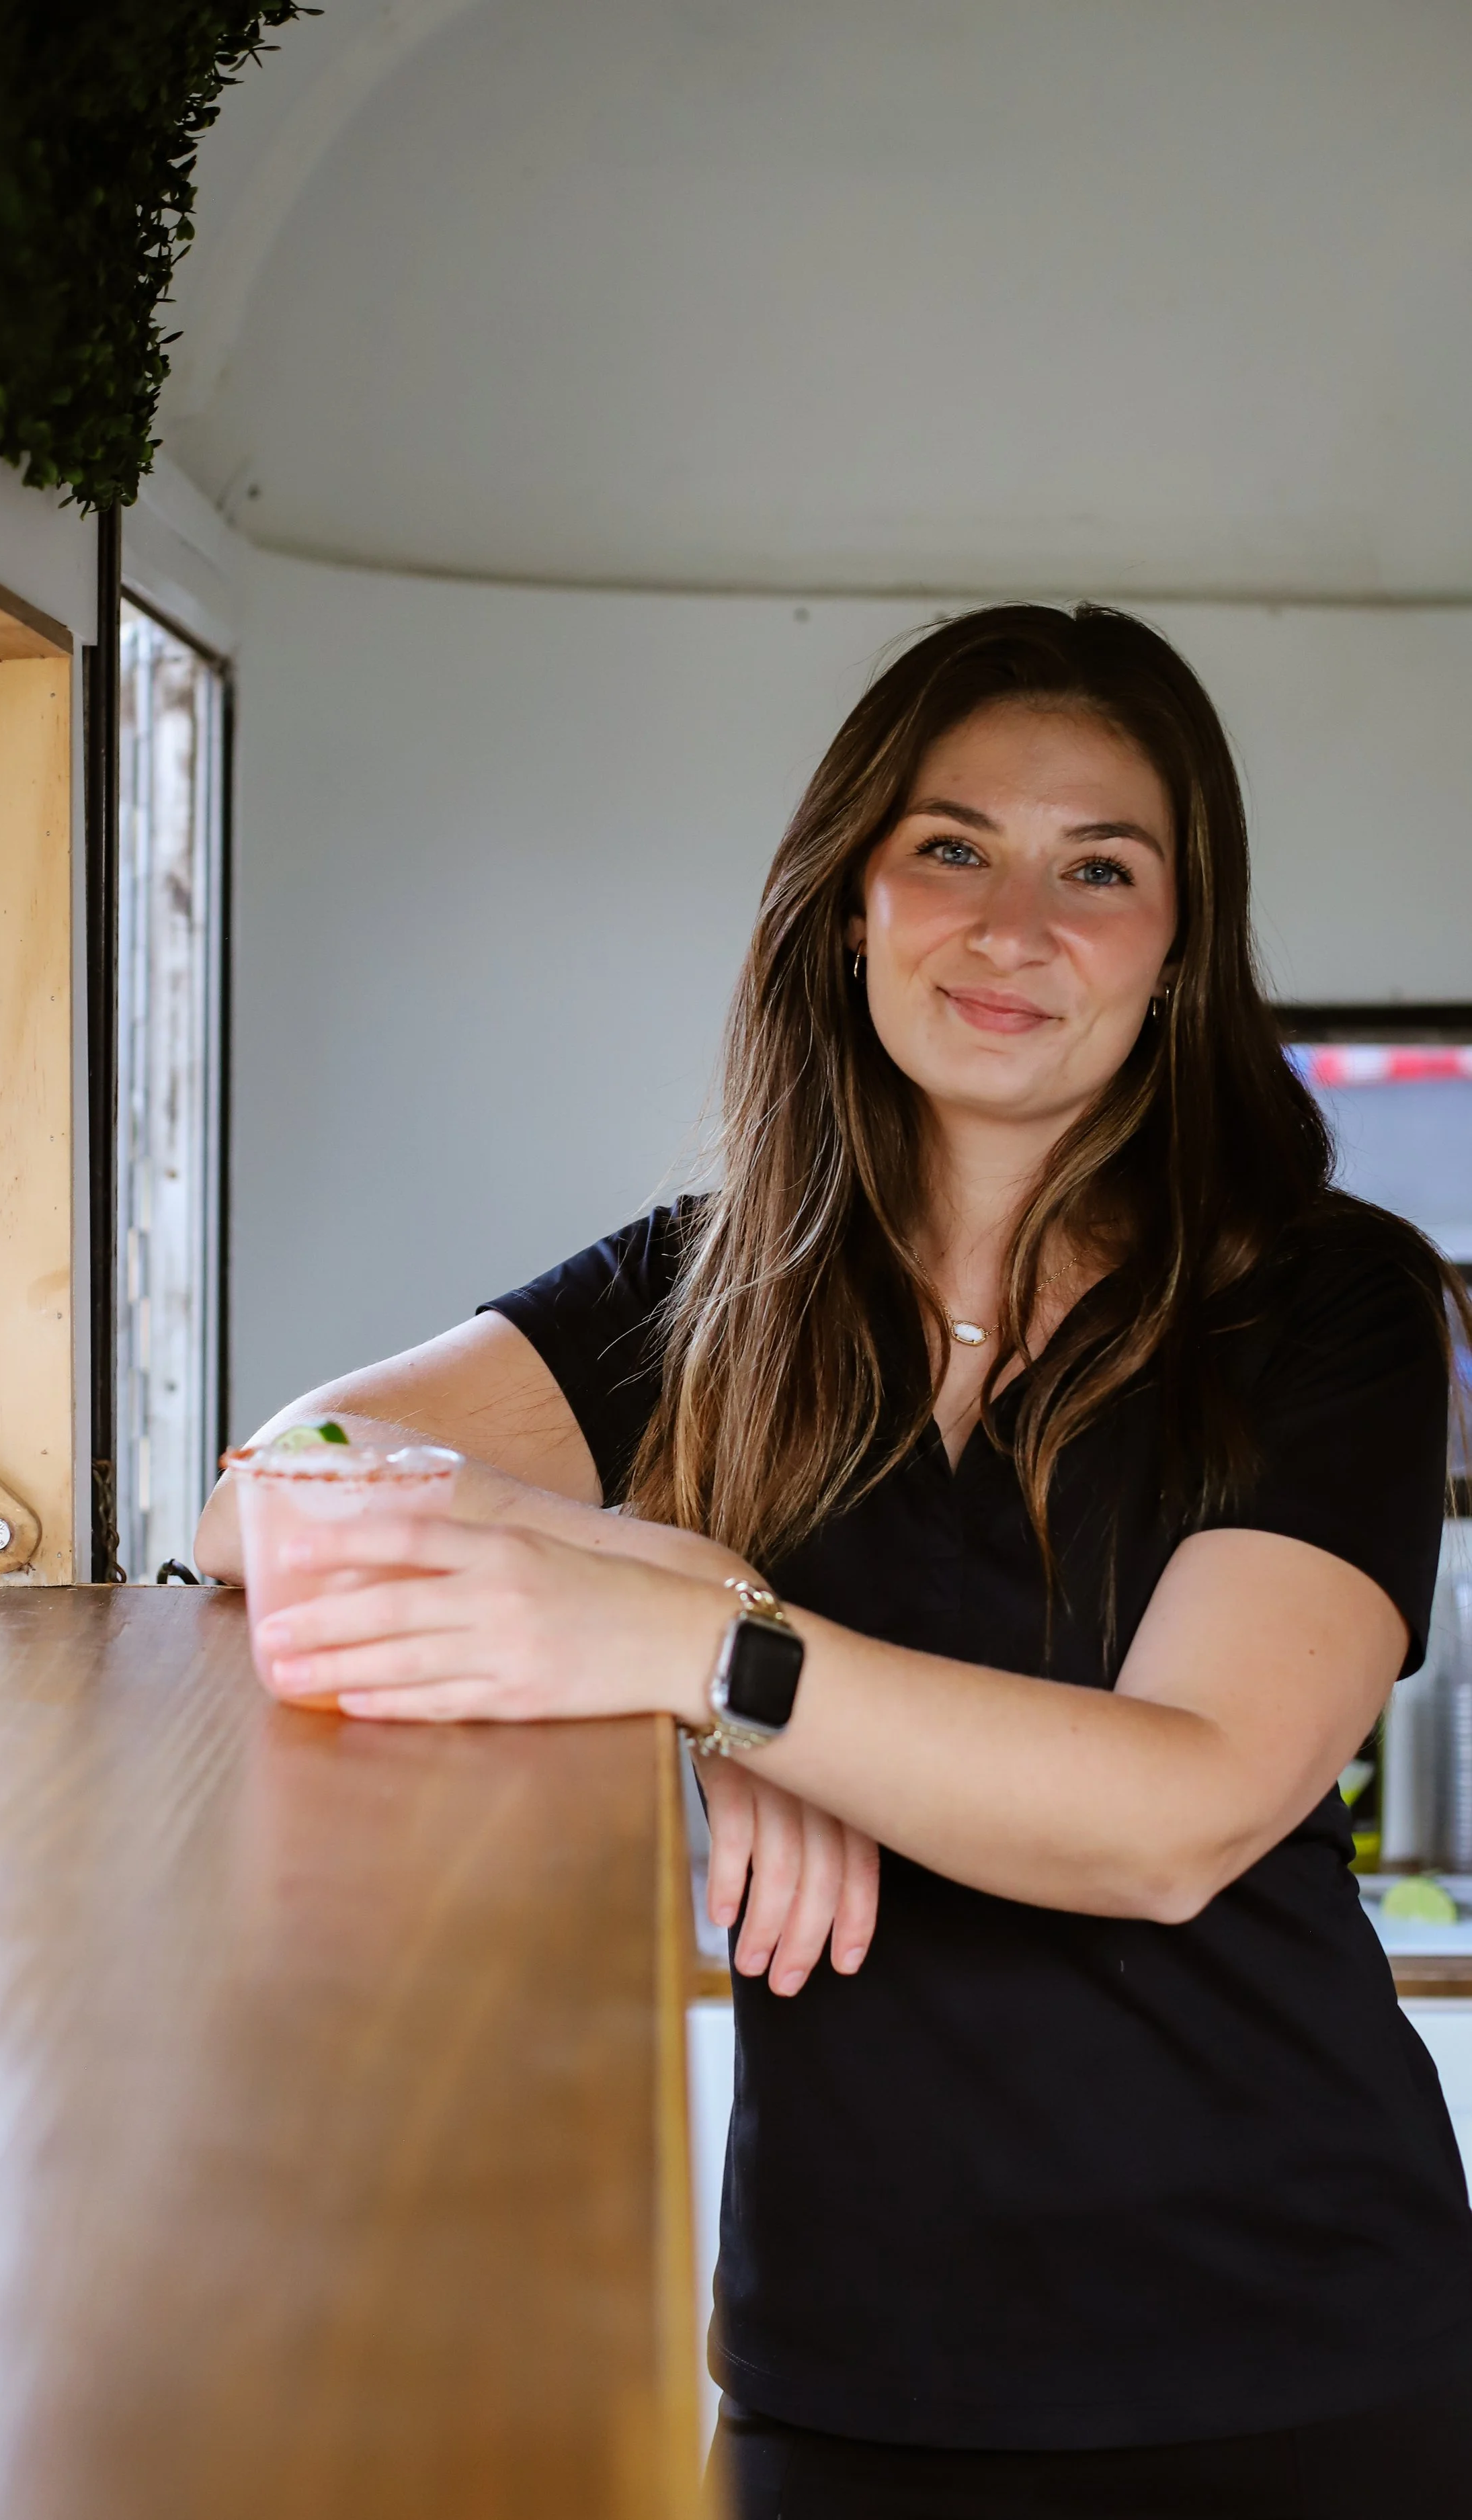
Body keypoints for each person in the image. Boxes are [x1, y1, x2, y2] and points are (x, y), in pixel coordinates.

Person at [195, 604, 1472, 2517]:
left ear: (1178, 948)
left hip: (1287, 2348)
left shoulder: (1324, 1299)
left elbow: (1177, 1808)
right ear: (849, 899)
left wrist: (730, 1665)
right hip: (850, 2354)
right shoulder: (712, 1285)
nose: (1013, 924)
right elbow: (265, 1490)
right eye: (949, 846)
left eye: (1098, 869)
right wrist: (702, 1604)